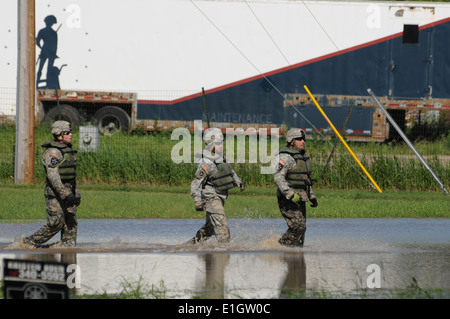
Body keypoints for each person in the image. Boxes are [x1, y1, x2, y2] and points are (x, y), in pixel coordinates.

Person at [20, 120, 81, 248]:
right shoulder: (53, 153)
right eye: (68, 133)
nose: (71, 135)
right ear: (59, 135)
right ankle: (28, 243)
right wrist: (65, 194)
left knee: (71, 223)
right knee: (56, 222)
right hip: (55, 193)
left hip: (69, 192)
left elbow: (72, 176)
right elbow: (53, 176)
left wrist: (76, 193)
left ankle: (66, 249)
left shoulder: (68, 150)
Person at [187, 129, 245, 244]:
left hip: (220, 196)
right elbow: (196, 183)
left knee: (210, 229)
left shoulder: (221, 158)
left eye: (221, 143)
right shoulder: (206, 162)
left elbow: (230, 171)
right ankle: (223, 255)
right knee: (223, 229)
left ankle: (191, 245)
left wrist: (238, 181)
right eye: (218, 144)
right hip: (211, 198)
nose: (221, 146)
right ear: (210, 145)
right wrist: (197, 201)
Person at [274, 128, 318, 247]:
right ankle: (280, 246)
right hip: (288, 198)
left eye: (303, 139)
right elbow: (278, 177)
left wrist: (312, 196)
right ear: (291, 141)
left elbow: (305, 181)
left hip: (301, 197)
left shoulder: (302, 157)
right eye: (299, 139)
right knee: (298, 226)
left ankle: (296, 260)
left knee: (301, 234)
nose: (303, 141)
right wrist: (290, 194)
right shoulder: (285, 157)